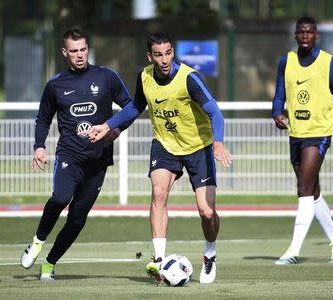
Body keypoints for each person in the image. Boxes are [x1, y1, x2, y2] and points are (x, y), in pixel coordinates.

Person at [88, 32, 232, 284]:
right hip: (164, 144)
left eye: (167, 53)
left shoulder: (190, 79)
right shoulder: (145, 76)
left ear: (172, 52)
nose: (164, 59)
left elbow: (215, 113)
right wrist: (107, 125)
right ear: (149, 56)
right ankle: (159, 261)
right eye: (158, 54)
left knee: (207, 212)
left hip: (199, 147)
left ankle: (210, 254)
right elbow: (135, 107)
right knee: (158, 192)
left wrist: (218, 143)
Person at [20, 27, 133, 281]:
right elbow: (43, 119)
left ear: (87, 49)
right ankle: (37, 242)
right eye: (74, 51)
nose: (79, 55)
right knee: (60, 197)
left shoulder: (106, 77)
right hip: (69, 155)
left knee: (78, 219)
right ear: (64, 53)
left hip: (98, 159)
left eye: (83, 49)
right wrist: (39, 146)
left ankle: (49, 263)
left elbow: (131, 106)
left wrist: (115, 129)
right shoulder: (56, 85)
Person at [272, 16, 333, 265]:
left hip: (319, 133)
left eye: (309, 32)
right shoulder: (286, 61)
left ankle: (293, 250)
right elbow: (279, 95)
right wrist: (277, 113)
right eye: (300, 32)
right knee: (313, 192)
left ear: (317, 36)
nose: (305, 36)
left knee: (303, 188)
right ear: (295, 35)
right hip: (295, 134)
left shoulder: (329, 63)